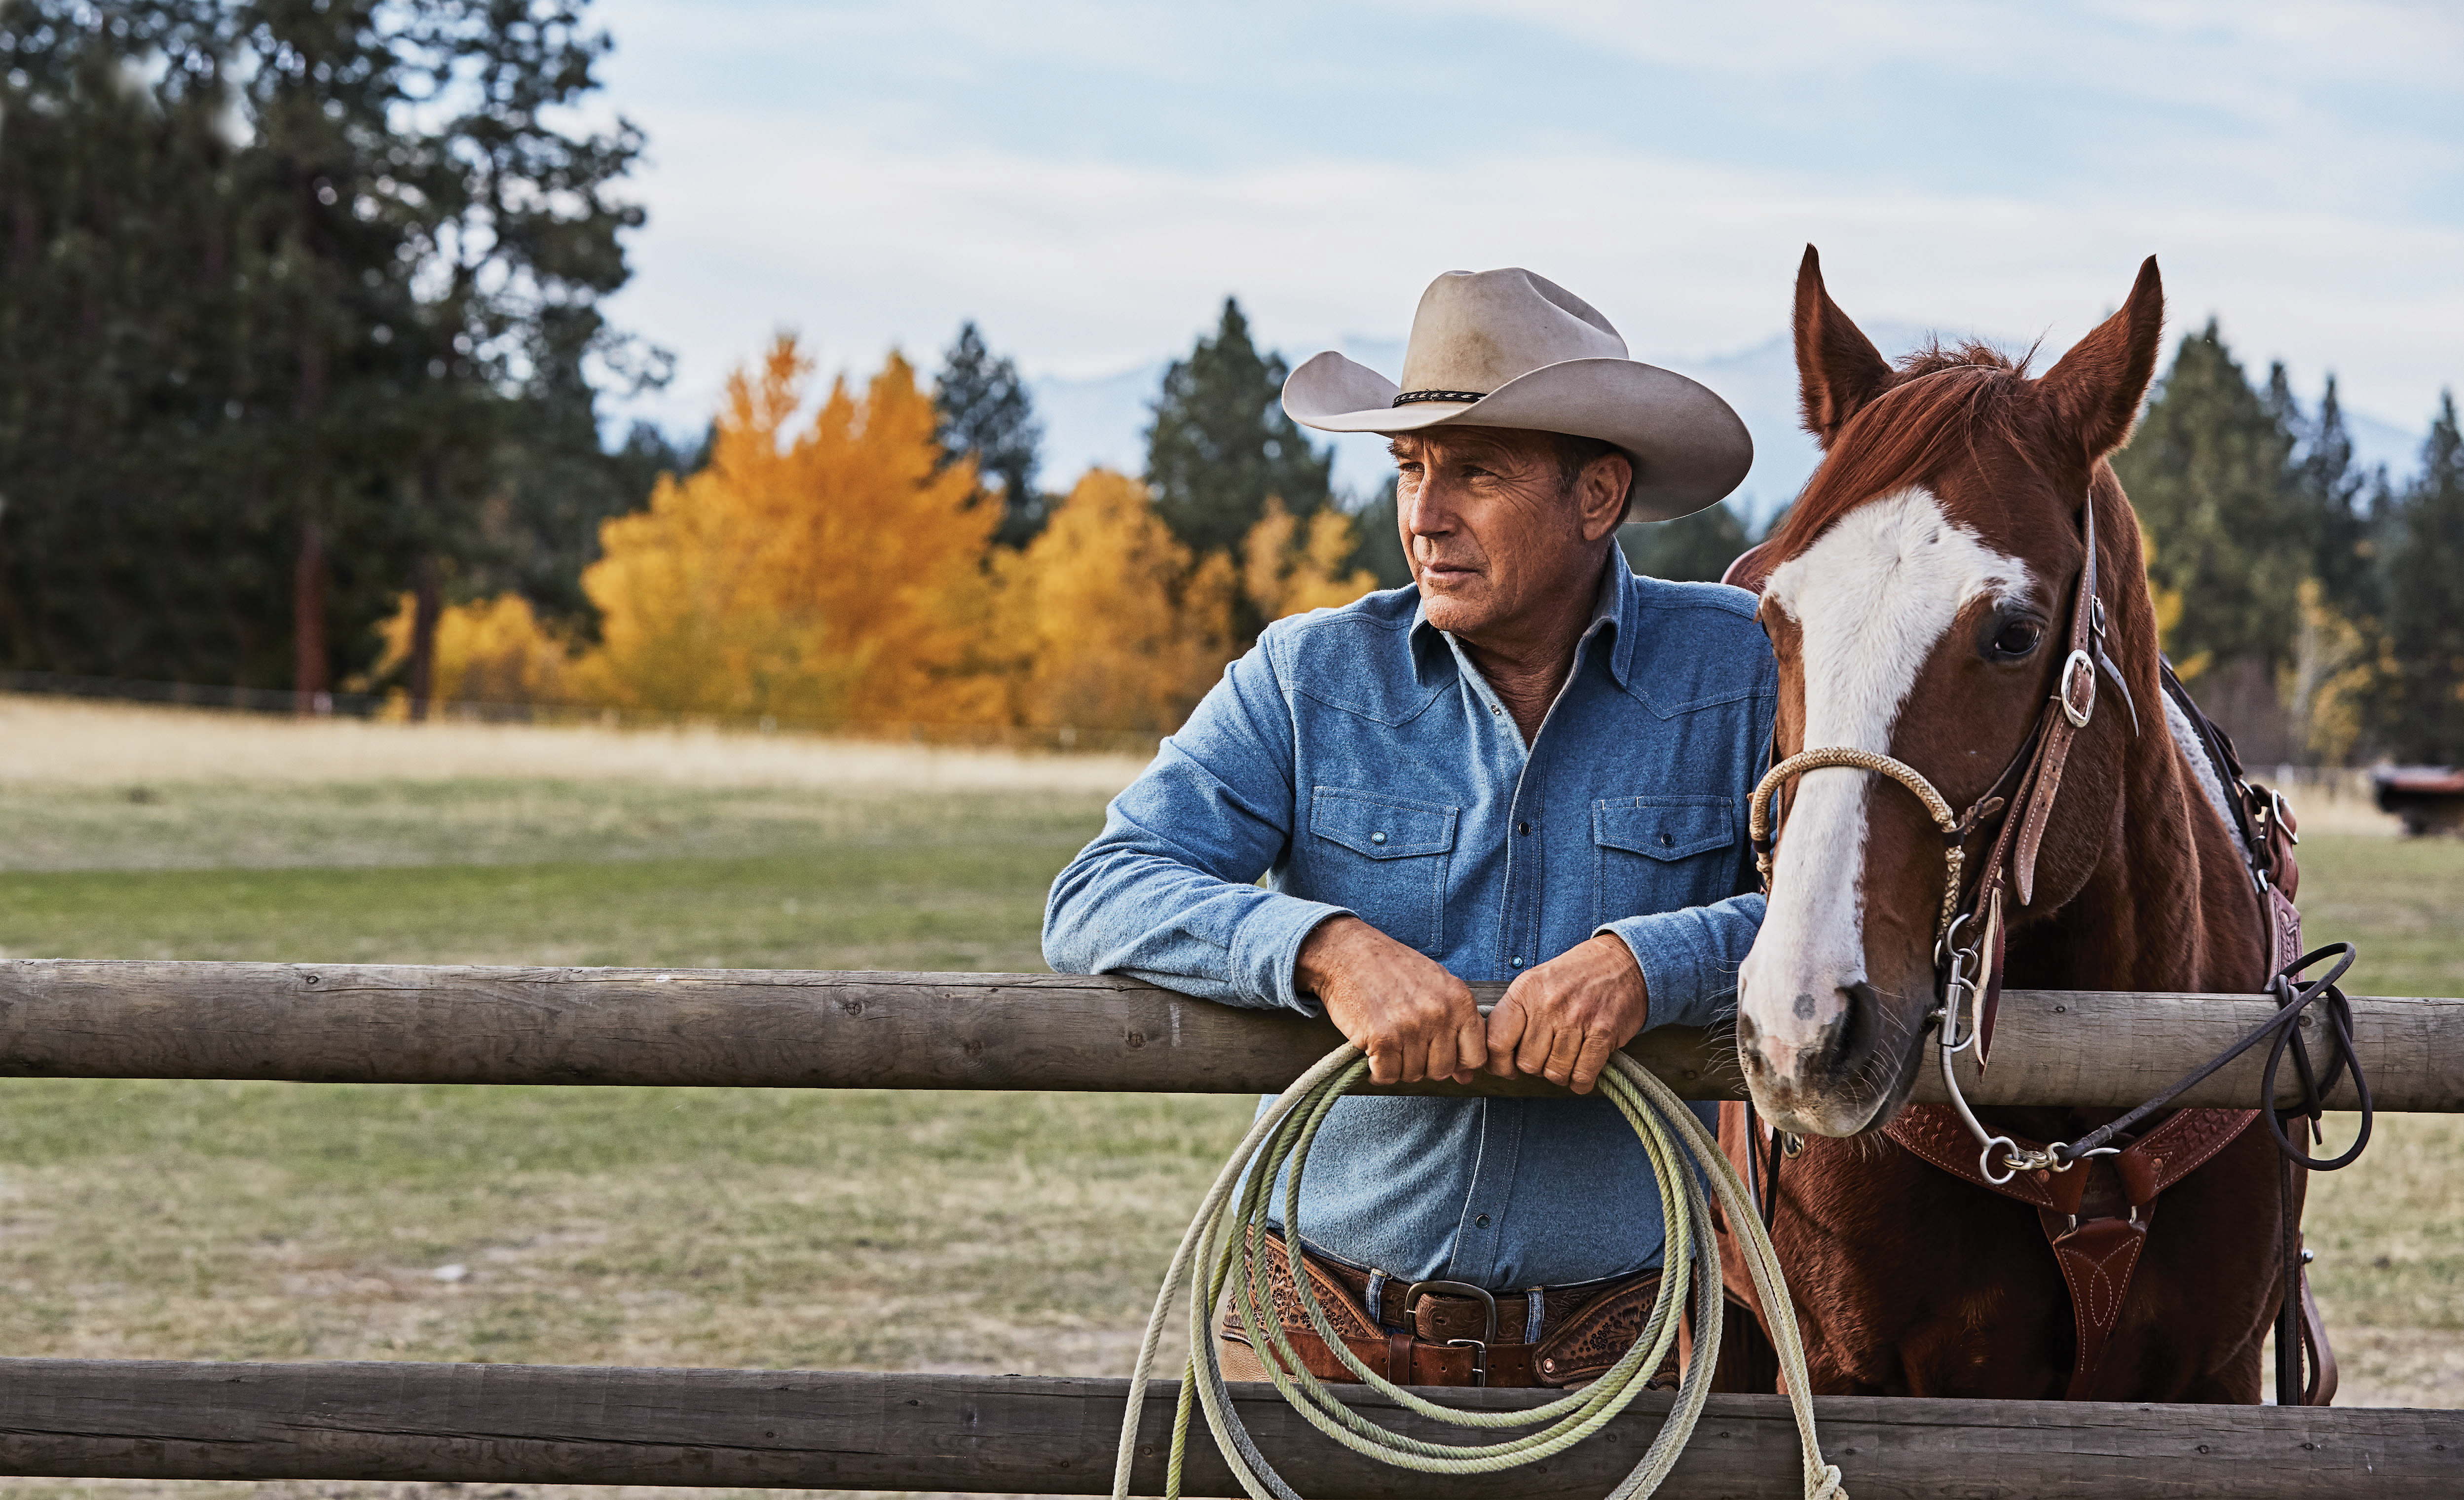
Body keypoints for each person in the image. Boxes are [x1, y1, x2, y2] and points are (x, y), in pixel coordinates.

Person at [1044, 268, 1774, 1389]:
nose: (1425, 516)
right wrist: (1326, 951)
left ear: (1597, 497)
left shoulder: (1744, 671)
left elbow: (1865, 915)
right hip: (1311, 1330)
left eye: (1476, 473)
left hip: (1618, 1350)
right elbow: (1100, 890)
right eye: (1409, 469)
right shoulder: (1308, 675)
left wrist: (1654, 962)